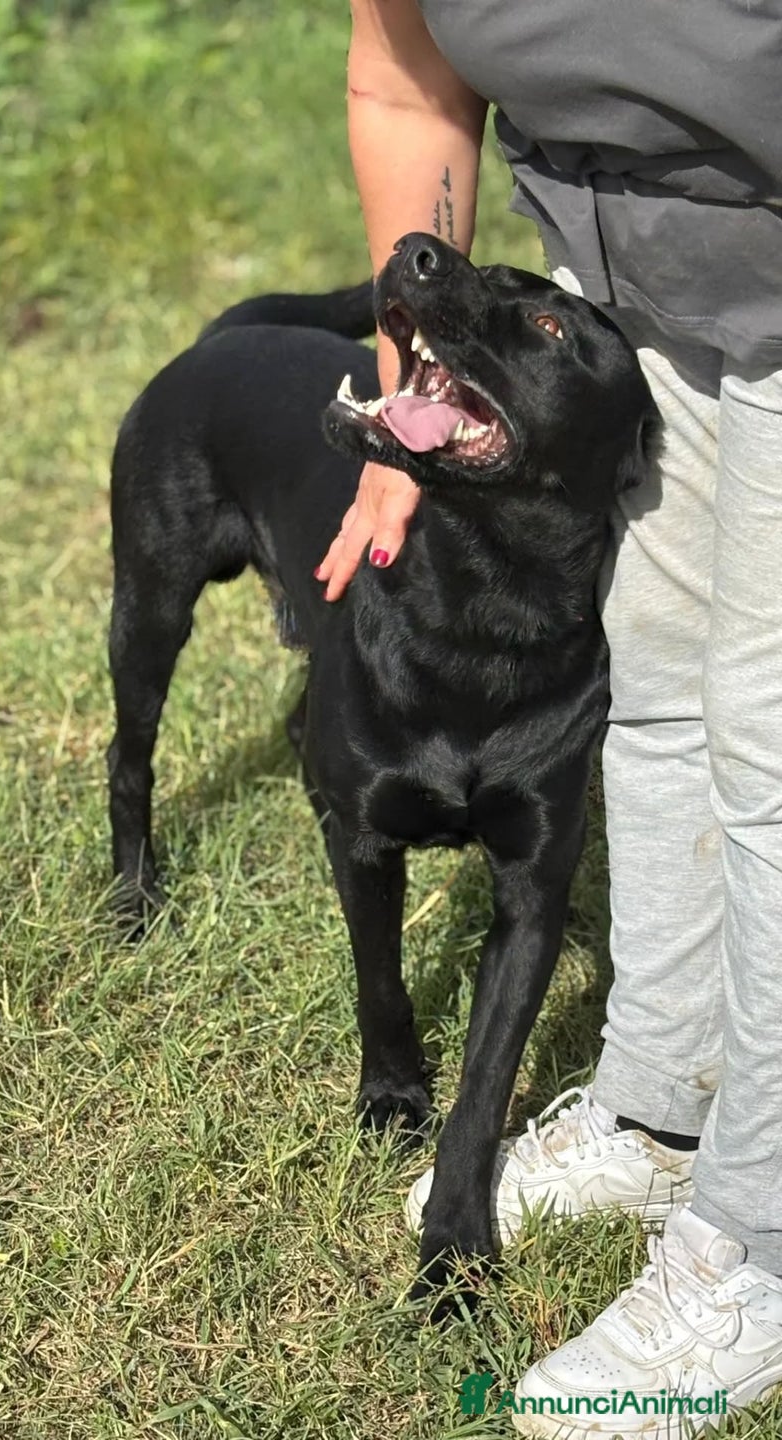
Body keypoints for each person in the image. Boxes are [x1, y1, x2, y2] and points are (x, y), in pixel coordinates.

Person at [322, 3, 782, 1433]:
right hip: (639, 294)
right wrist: (424, 402)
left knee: (773, 748)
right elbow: (406, 84)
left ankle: (761, 1243)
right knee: (657, 686)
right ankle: (661, 1105)